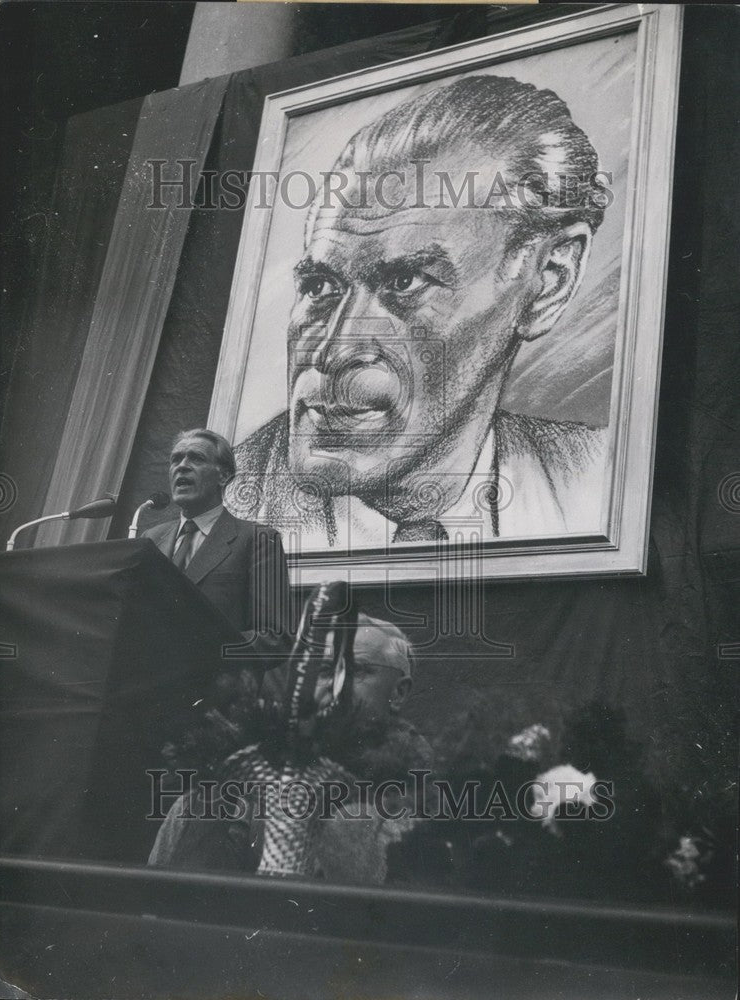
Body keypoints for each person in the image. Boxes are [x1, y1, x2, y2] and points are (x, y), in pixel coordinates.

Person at [226, 75, 610, 549]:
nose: (332, 350)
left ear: (549, 281)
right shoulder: (223, 512)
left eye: (405, 283)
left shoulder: (602, 479)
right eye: (321, 286)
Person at [148, 608, 433, 884]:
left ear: (399, 692)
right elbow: (159, 899)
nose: (334, 687)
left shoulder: (426, 792)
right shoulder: (239, 778)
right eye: (323, 670)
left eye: (357, 671)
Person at [144, 428, 290, 637]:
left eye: (196, 458)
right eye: (175, 460)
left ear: (224, 476)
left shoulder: (258, 539)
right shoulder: (151, 538)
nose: (182, 466)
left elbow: (274, 635)